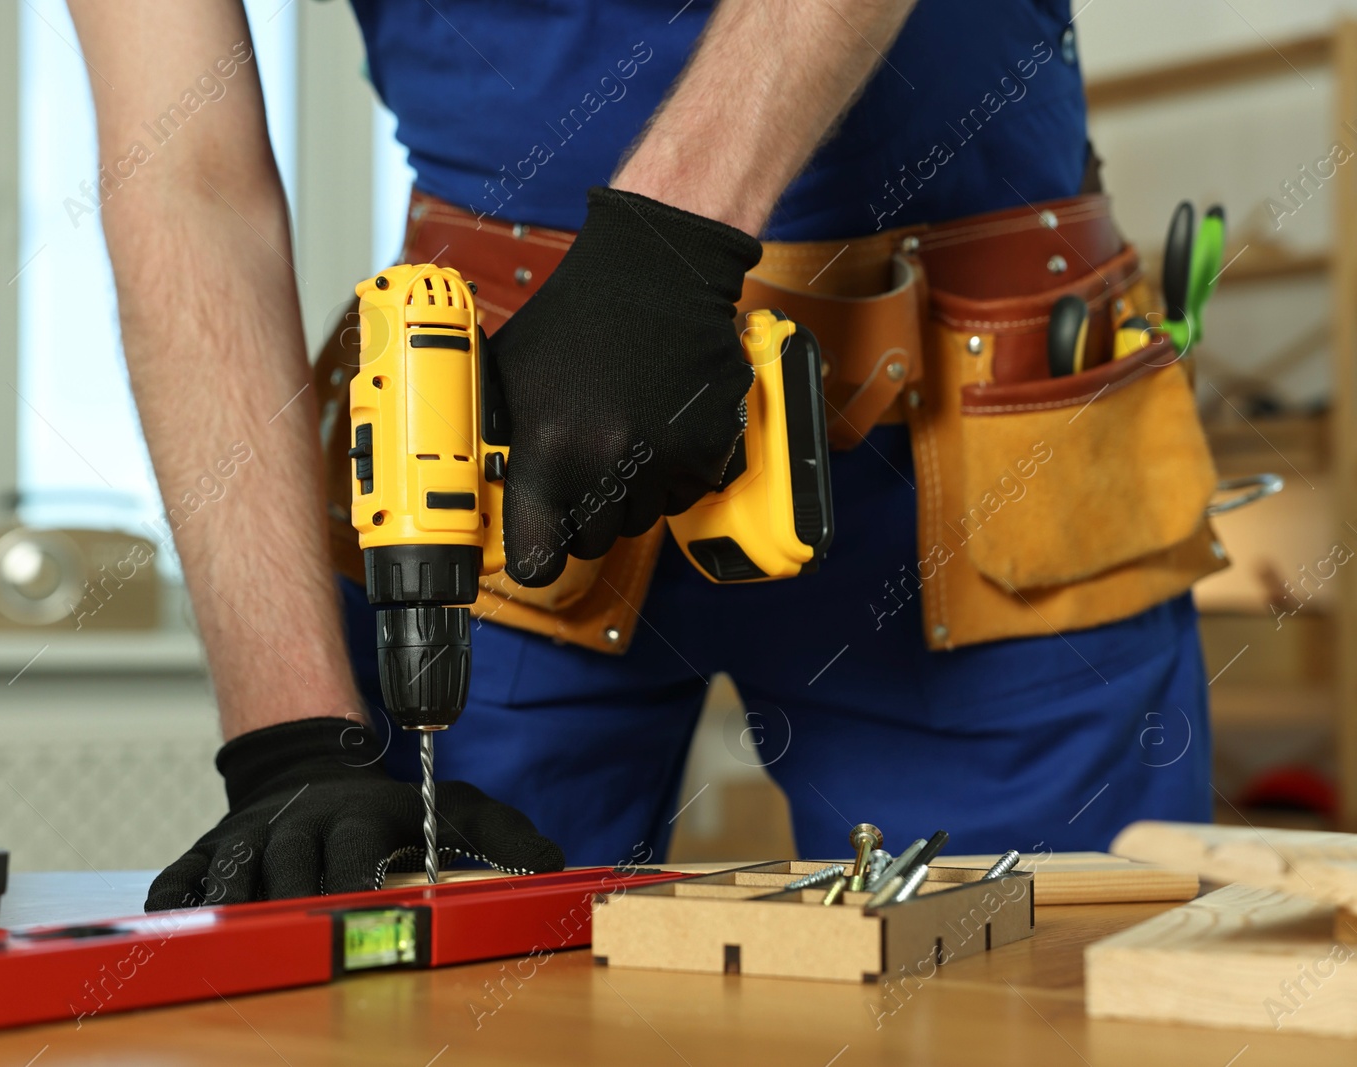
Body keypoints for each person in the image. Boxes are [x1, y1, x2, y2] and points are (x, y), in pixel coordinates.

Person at [66, 0, 1216, 910]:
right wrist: (291, 741)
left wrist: (665, 246)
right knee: (462, 1010)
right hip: (516, 460)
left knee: (1041, 1002)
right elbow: (185, 182)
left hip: (978, 441)